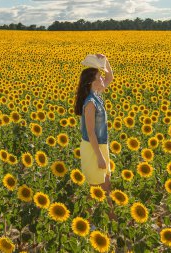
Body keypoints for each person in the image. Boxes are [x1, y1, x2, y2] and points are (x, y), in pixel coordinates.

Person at [74, 54, 117, 225]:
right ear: (91, 82)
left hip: (100, 146)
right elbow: (91, 133)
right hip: (93, 149)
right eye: (99, 76)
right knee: (96, 189)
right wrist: (99, 157)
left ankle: (111, 222)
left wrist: (105, 60)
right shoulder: (90, 102)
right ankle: (90, 225)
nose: (102, 78)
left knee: (106, 185)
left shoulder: (97, 93)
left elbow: (110, 76)